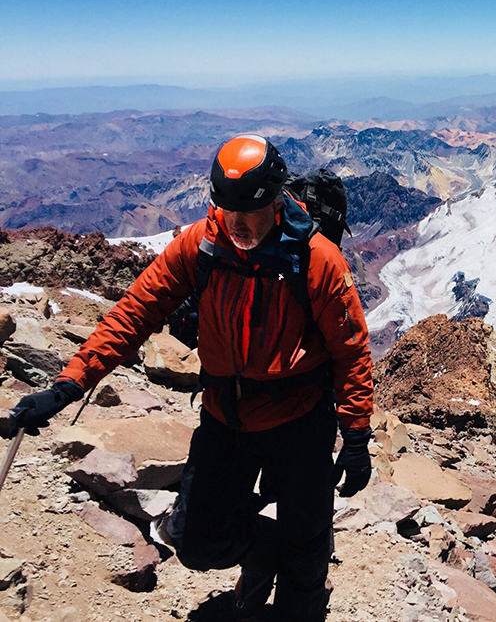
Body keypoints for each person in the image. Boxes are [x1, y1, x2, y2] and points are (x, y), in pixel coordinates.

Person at [1, 135, 374, 622]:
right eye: (227, 208)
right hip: (226, 417)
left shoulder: (317, 259)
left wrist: (356, 436)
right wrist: (67, 385)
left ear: (276, 200)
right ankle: (265, 554)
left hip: (300, 420)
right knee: (198, 546)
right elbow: (133, 314)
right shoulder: (201, 245)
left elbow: (351, 350)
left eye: (251, 210)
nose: (237, 223)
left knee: (304, 567)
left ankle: (296, 583)